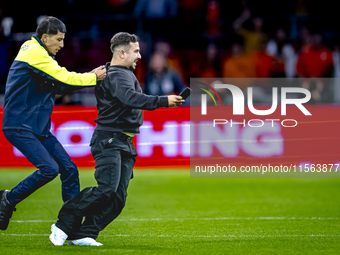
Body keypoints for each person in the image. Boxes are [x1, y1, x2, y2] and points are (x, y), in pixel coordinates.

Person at [49, 32, 184, 246]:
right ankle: (63, 224)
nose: (139, 56)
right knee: (107, 190)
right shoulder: (118, 74)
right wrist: (163, 100)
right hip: (110, 140)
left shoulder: (116, 73)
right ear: (122, 53)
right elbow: (129, 98)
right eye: (136, 51)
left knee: (118, 198)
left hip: (123, 141)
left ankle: (86, 233)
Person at [0, 16, 106, 231]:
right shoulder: (34, 52)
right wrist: (92, 77)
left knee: (69, 169)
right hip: (19, 125)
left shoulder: (38, 54)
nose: (62, 44)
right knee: (49, 169)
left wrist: (90, 78)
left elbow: (57, 85)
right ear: (45, 37)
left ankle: (71, 225)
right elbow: (63, 77)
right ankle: (8, 198)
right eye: (59, 39)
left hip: (36, 127)